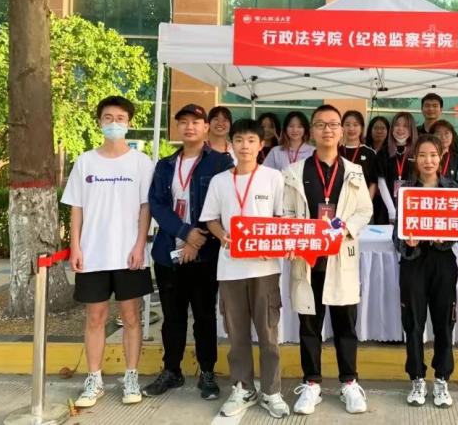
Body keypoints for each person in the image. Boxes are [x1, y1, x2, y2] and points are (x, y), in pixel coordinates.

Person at [63, 96, 155, 408]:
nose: (114, 123)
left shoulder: (141, 163)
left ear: (129, 123)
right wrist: (76, 246)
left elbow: (145, 208)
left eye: (120, 118)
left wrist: (140, 245)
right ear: (99, 122)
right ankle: (94, 379)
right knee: (95, 317)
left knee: (131, 317)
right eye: (108, 118)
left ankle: (131, 376)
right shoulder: (85, 161)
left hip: (130, 254)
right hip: (93, 254)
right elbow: (76, 208)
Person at [283, 104, 373, 415]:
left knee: (345, 324)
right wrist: (294, 238)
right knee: (309, 324)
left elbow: (365, 210)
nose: (328, 130)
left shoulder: (354, 171)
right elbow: (286, 213)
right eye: (321, 124)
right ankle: (312, 384)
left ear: (342, 131)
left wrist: (344, 229)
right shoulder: (294, 172)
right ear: (312, 131)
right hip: (308, 259)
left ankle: (349, 383)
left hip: (340, 258)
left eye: (333, 124)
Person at [199, 118, 290, 419]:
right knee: (236, 334)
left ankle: (272, 391)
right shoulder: (220, 181)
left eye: (251, 140)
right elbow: (210, 219)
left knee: (268, 334)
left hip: (265, 269)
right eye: (239, 140)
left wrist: (271, 244)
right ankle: (243, 388)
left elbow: (281, 219)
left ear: (261, 145)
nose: (245, 146)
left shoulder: (273, 178)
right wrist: (221, 234)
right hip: (230, 269)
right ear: (231, 145)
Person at [143, 104, 233, 401]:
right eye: (183, 122)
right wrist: (184, 233)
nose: (190, 127)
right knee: (172, 317)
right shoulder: (165, 164)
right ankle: (172, 370)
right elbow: (157, 205)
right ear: (177, 128)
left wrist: (195, 241)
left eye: (196, 121)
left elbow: (223, 204)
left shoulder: (220, 162)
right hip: (168, 251)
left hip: (205, 254)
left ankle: (207, 372)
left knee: (205, 316)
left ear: (206, 127)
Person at [394, 135, 458, 408]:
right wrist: (407, 243)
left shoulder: (452, 189)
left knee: (444, 322)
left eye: (433, 155)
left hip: (443, 263)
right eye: (422, 155)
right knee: (413, 323)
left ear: (441, 157)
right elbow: (397, 235)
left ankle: (442, 378)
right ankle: (417, 378)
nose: (428, 161)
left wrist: (447, 238)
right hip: (414, 263)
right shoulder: (406, 190)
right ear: (415, 158)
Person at [375, 112, 418, 224]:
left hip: (412, 207)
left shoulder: (417, 151)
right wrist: (391, 211)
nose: (400, 129)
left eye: (405, 126)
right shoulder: (383, 152)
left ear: (411, 129)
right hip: (386, 208)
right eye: (397, 125)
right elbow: (381, 182)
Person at [340, 110, 378, 199]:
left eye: (355, 125)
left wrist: (367, 203)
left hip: (361, 201)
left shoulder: (370, 153)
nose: (351, 128)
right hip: (339, 200)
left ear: (362, 128)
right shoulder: (336, 151)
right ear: (342, 128)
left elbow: (373, 182)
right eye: (347, 124)